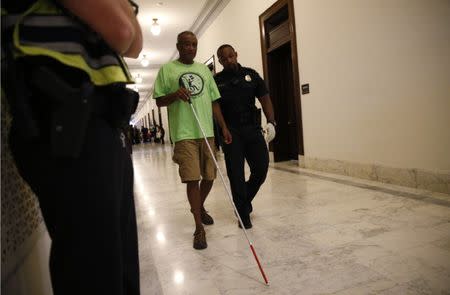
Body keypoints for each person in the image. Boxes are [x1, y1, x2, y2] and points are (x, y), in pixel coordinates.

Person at [1, 0, 143, 294]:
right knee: (95, 274)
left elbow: (135, 45)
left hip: (96, 123)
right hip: (67, 120)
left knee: (119, 268)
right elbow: (122, 31)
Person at [153, 31, 232, 250]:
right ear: (178, 46)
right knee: (192, 179)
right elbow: (159, 101)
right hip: (184, 133)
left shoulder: (203, 71)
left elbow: (215, 101)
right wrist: (175, 95)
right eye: (186, 44)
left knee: (210, 176)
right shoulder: (167, 70)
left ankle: (199, 207)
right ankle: (199, 228)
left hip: (206, 131)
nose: (191, 48)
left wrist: (223, 127)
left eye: (194, 44)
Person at [214, 44, 276, 229]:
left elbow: (264, 98)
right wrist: (223, 128)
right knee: (236, 174)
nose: (229, 60)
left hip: (252, 128)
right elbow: (215, 106)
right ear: (220, 61)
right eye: (224, 59)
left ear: (236, 54)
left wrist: (272, 121)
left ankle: (243, 200)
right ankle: (243, 214)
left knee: (261, 168)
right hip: (231, 132)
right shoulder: (217, 81)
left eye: (231, 56)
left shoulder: (251, 75)